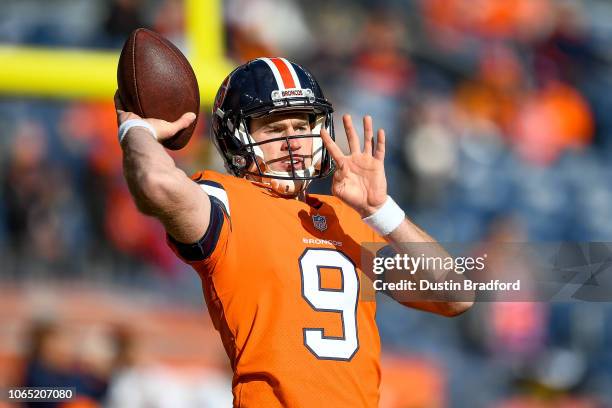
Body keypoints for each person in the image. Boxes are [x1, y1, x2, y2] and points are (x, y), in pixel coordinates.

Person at [115, 57, 472, 407]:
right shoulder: (226, 201)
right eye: (274, 129)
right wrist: (136, 129)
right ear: (237, 139)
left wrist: (382, 211)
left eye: (302, 127)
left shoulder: (347, 217)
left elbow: (455, 295)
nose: (293, 142)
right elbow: (156, 182)